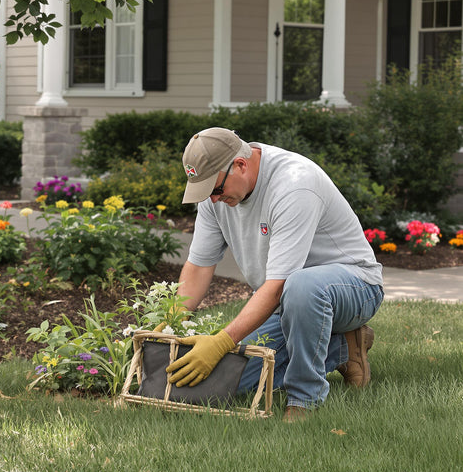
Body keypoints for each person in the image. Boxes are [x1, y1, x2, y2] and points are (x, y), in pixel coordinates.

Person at [164, 127, 384, 422]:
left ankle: (304, 399)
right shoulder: (216, 195)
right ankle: (343, 346)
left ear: (240, 165)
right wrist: (167, 327)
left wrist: (221, 341)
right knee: (225, 383)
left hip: (353, 288)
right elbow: (199, 266)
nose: (213, 200)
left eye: (216, 190)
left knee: (302, 285)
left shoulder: (294, 184)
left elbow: (280, 284)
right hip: (284, 302)